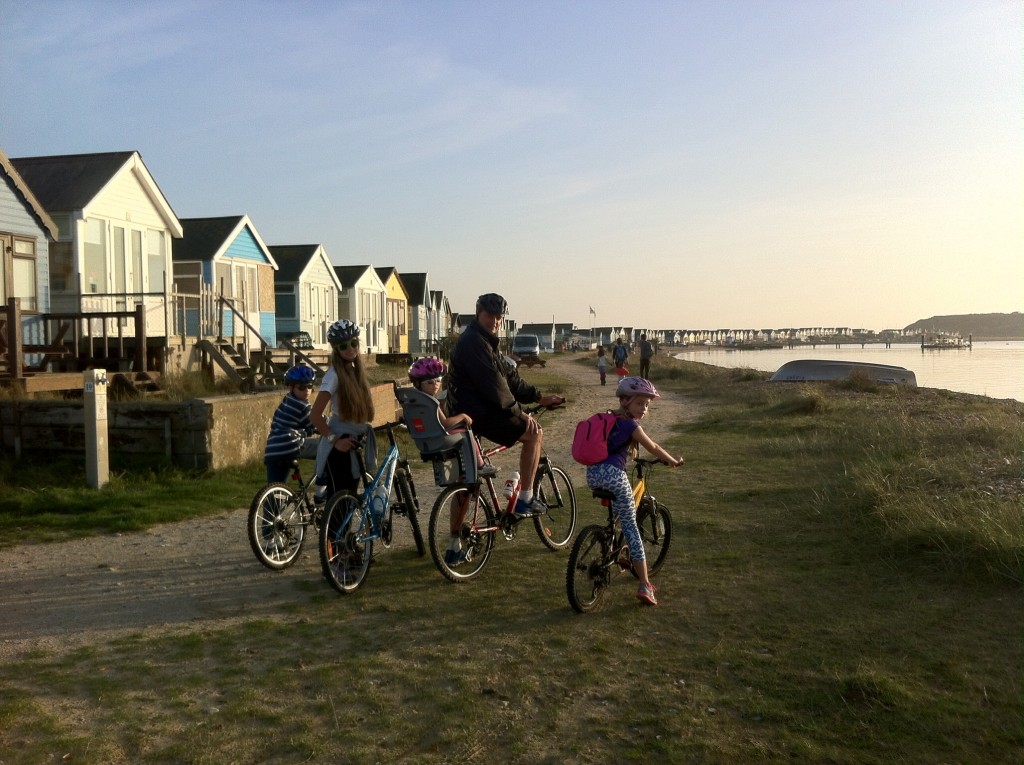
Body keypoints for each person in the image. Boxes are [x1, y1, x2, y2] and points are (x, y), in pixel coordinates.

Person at [446, 293, 564, 520]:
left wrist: (539, 397)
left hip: (468, 414)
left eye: (499, 317)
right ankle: (526, 499)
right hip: (475, 414)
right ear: (478, 313)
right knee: (533, 433)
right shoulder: (474, 342)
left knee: (466, 480)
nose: (495, 321)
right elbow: (495, 387)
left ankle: (454, 542)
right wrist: (520, 413)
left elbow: (509, 376)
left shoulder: (484, 340)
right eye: (490, 315)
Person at [585, 377, 682, 606]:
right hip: (614, 477)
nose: (644, 409)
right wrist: (672, 461)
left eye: (647, 405)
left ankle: (611, 546)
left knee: (618, 512)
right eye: (640, 403)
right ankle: (645, 585)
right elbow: (654, 447)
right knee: (631, 528)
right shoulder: (631, 425)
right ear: (625, 401)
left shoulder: (608, 418)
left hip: (593, 475)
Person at [311, 320, 376, 499]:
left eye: (353, 343)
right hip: (340, 446)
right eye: (343, 346)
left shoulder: (356, 373)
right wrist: (335, 440)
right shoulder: (333, 376)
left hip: (355, 441)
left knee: (349, 502)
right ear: (336, 350)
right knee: (339, 506)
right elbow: (315, 416)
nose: (350, 349)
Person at [263, 364, 320, 484]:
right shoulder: (303, 406)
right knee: (328, 448)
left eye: (310, 386)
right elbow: (317, 422)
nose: (307, 391)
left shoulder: (287, 400)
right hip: (290, 445)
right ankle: (322, 485)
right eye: (302, 387)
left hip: (272, 450)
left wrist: (307, 430)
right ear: (290, 387)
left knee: (275, 491)